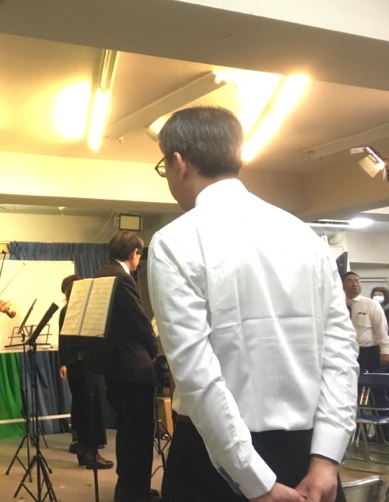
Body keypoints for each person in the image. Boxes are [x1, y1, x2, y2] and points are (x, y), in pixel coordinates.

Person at [147, 106, 359, 502]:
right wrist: (326, 460)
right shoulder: (305, 236)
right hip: (308, 455)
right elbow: (342, 354)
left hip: (214, 459)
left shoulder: (175, 242)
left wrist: (255, 481)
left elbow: (197, 375)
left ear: (179, 162)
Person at [91, 230, 159, 501]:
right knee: (139, 434)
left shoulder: (100, 274)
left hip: (113, 367)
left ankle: (128, 487)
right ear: (134, 253)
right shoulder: (122, 278)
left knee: (126, 431)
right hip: (133, 368)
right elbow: (139, 321)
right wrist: (154, 348)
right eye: (139, 254)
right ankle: (135, 492)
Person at [58, 274, 112, 469]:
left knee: (80, 405)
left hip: (74, 365)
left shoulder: (66, 310)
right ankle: (92, 453)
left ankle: (82, 449)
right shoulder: (85, 310)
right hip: (88, 363)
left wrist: (64, 362)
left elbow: (62, 339)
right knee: (93, 406)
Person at [344, 271, 389, 373]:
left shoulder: (371, 304)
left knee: (368, 380)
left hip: (367, 352)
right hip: (344, 351)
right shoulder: (337, 305)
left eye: (357, 281)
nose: (355, 284)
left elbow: (381, 329)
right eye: (350, 281)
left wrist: (385, 352)